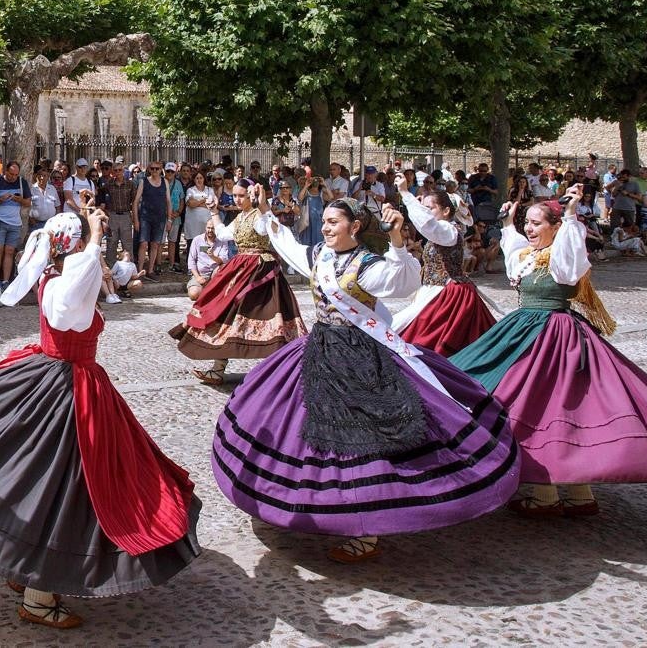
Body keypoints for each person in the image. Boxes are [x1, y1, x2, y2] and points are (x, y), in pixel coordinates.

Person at [0, 211, 201, 629]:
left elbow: (77, 287)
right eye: (90, 249)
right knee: (62, 488)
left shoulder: (52, 276)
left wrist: (87, 243)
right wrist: (93, 238)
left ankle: (21, 568)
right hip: (72, 387)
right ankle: (38, 593)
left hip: (50, 378)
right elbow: (75, 301)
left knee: (31, 477)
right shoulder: (70, 286)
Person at [212, 198, 519, 563]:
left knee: (360, 435)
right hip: (318, 348)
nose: (325, 228)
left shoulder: (369, 265)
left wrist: (398, 242)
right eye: (324, 221)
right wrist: (267, 216)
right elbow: (286, 243)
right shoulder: (318, 256)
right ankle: (312, 501)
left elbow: (403, 283)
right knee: (295, 424)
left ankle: (366, 524)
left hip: (361, 357)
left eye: (333, 222)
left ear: (354, 226)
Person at [452, 188, 647, 517]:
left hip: (552, 336)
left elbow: (572, 252)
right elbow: (513, 246)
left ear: (554, 227)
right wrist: (507, 223)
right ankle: (579, 492)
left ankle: (547, 494)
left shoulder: (563, 256)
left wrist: (572, 214)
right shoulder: (528, 256)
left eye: (535, 224)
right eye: (527, 223)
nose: (529, 229)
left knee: (544, 405)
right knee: (537, 401)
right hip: (525, 331)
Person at [170, 183, 307, 385]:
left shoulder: (258, 216)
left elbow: (263, 229)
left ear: (251, 195)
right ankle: (218, 369)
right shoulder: (240, 218)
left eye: (241, 195)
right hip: (240, 270)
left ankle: (285, 369)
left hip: (261, 274)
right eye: (234, 195)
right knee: (228, 314)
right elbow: (224, 234)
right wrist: (214, 211)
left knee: (269, 319)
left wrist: (262, 206)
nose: (237, 199)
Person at [390, 180, 497, 356]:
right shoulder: (441, 232)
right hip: (436, 291)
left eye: (429, 208)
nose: (425, 212)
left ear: (446, 211)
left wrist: (406, 194)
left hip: (450, 296)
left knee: (425, 340)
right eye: (423, 208)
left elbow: (427, 225)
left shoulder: (449, 230)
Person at [0, 161, 31, 286]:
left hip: (15, 222)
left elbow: (28, 202)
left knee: (10, 251)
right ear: (5, 171)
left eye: (16, 174)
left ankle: (5, 281)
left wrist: (18, 199)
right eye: (11, 174)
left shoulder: (22, 182)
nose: (13, 177)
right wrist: (0, 199)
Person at [132, 161, 170, 278]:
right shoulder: (144, 182)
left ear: (161, 169)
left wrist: (169, 220)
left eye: (157, 169)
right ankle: (140, 270)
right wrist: (136, 220)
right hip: (145, 217)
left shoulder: (165, 182)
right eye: (152, 168)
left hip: (160, 218)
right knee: (143, 243)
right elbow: (136, 202)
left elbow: (168, 201)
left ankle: (150, 270)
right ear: (149, 169)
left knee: (155, 244)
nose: (154, 171)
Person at [183, 218, 232, 301]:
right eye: (208, 228)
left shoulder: (223, 241)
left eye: (212, 228)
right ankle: (207, 291)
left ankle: (212, 290)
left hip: (215, 273)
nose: (210, 230)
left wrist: (213, 256)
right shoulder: (197, 240)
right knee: (193, 294)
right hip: (201, 274)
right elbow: (191, 261)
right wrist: (198, 277)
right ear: (205, 228)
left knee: (223, 266)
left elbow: (224, 260)